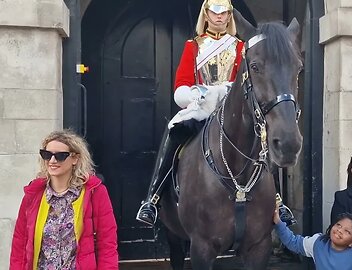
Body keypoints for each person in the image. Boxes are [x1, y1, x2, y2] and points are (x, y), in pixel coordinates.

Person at [136, 0, 296, 227]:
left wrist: (225, 92)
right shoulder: (194, 46)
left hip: (234, 106)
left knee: (263, 138)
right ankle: (153, 198)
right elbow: (181, 85)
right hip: (201, 106)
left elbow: (248, 80)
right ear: (207, 14)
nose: (220, 17)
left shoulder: (241, 47)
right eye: (215, 12)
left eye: (225, 12)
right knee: (174, 132)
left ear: (230, 15)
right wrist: (196, 95)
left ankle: (279, 201)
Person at [10, 130, 118, 269]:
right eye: (47, 155)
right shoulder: (33, 195)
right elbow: (19, 246)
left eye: (60, 156)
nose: (52, 161)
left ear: (75, 159)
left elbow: (107, 244)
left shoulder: (95, 193)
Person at [274, 205, 352, 270]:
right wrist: (278, 222)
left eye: (347, 231)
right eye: (338, 225)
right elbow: (293, 243)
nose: (339, 230)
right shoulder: (318, 242)